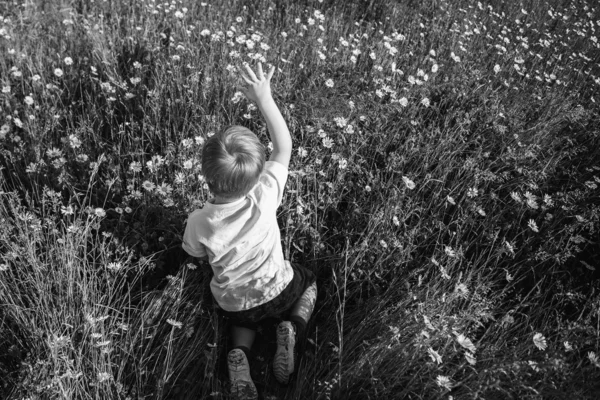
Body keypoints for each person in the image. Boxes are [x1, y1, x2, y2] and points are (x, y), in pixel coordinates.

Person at [182, 61, 317, 400]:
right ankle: (292, 328)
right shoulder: (265, 194)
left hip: (235, 304)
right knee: (310, 280)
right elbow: (283, 146)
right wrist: (263, 98)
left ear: (205, 174)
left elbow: (194, 253)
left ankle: (240, 354)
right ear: (257, 176)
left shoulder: (198, 221)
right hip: (280, 289)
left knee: (243, 319)